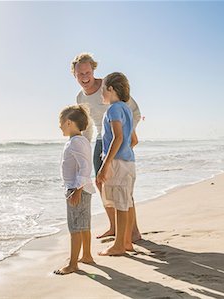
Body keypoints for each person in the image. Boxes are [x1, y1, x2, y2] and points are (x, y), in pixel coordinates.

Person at [71, 52, 141, 241]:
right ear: (74, 75)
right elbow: (87, 126)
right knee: (101, 182)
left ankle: (133, 232)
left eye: (87, 72)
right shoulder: (80, 97)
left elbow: (134, 111)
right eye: (80, 74)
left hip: (118, 138)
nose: (84, 77)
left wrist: (128, 136)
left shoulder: (108, 87)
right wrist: (81, 146)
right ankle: (114, 227)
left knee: (122, 186)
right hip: (102, 140)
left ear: (93, 70)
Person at [97, 72, 136, 256]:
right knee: (126, 202)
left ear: (111, 89)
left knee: (120, 204)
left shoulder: (113, 109)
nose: (101, 94)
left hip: (118, 163)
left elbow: (118, 137)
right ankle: (126, 242)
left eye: (103, 89)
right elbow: (133, 139)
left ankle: (119, 245)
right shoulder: (126, 108)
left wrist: (106, 164)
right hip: (129, 161)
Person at [54, 104, 95, 275]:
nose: (59, 126)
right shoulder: (81, 140)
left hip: (76, 190)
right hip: (82, 188)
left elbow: (85, 167)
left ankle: (72, 264)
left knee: (75, 228)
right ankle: (86, 255)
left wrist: (77, 190)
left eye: (61, 123)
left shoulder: (76, 142)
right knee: (84, 225)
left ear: (69, 122)